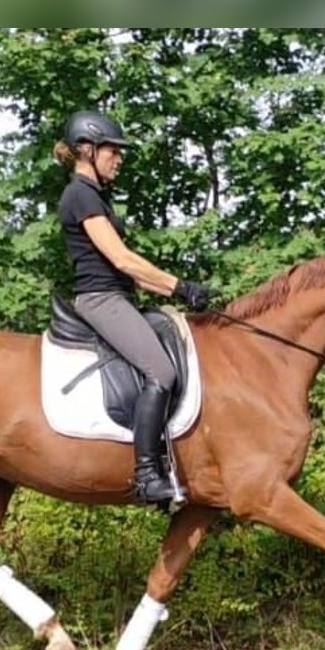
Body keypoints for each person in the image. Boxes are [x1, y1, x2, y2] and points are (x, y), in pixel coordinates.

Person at [53, 110, 213, 506]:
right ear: (86, 150)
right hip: (100, 300)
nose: (118, 158)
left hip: (119, 296)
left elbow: (133, 272)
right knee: (161, 370)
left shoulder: (96, 197)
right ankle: (146, 475)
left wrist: (180, 293)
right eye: (112, 150)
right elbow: (121, 259)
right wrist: (180, 286)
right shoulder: (80, 195)